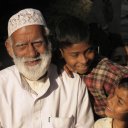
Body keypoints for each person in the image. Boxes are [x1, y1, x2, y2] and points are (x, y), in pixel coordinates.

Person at [0, 8, 94, 128]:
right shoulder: (2, 86)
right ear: (9, 48)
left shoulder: (73, 85)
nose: (32, 53)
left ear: (48, 42)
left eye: (38, 43)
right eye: (22, 45)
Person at [51, 15, 128, 118]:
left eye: (90, 50)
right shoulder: (56, 66)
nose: (84, 60)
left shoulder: (107, 73)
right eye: (75, 55)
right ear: (61, 53)